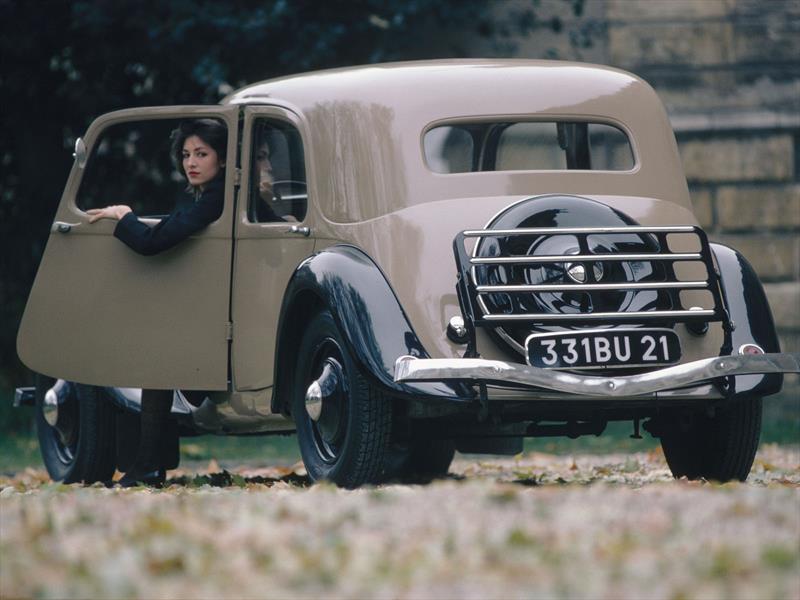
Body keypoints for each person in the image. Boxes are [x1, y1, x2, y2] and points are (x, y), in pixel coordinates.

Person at [86, 118, 227, 487]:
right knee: (158, 357)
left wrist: (124, 216)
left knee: (159, 361)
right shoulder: (209, 198)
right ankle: (147, 463)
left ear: (223, 160)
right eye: (186, 155)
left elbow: (153, 244)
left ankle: (147, 465)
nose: (191, 162)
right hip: (210, 315)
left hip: (220, 324)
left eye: (202, 153)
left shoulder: (216, 200)